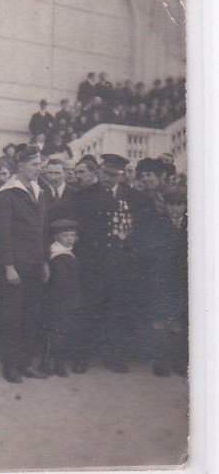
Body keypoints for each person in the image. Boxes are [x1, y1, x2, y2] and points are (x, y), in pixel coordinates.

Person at [68, 153, 152, 373]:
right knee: (89, 309)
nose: (107, 178)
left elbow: (142, 230)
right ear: (99, 171)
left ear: (121, 175)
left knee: (117, 310)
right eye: (104, 173)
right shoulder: (84, 195)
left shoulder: (133, 197)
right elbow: (75, 227)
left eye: (113, 175)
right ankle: (82, 356)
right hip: (93, 263)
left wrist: (132, 255)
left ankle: (114, 356)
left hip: (120, 265)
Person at [0, 144, 49, 383]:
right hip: (15, 267)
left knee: (31, 315)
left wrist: (45, 261)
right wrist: (8, 265)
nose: (39, 169)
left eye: (40, 164)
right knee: (12, 317)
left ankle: (25, 363)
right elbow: (1, 234)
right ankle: (10, 365)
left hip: (35, 265)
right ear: (20, 166)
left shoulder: (39, 191)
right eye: (34, 165)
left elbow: (42, 231)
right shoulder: (6, 194)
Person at [136, 187, 188, 377]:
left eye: (180, 205)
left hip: (182, 280)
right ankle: (159, 360)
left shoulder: (191, 224)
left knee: (178, 321)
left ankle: (178, 360)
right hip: (161, 279)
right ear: (164, 206)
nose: (176, 209)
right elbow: (148, 253)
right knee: (159, 320)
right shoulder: (156, 225)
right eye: (171, 205)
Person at [43, 218, 83, 377]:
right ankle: (53, 363)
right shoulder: (59, 256)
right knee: (58, 331)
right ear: (56, 237)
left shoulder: (68, 253)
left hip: (67, 298)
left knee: (62, 330)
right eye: (65, 235)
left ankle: (55, 362)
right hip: (61, 299)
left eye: (72, 235)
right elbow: (61, 282)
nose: (69, 238)